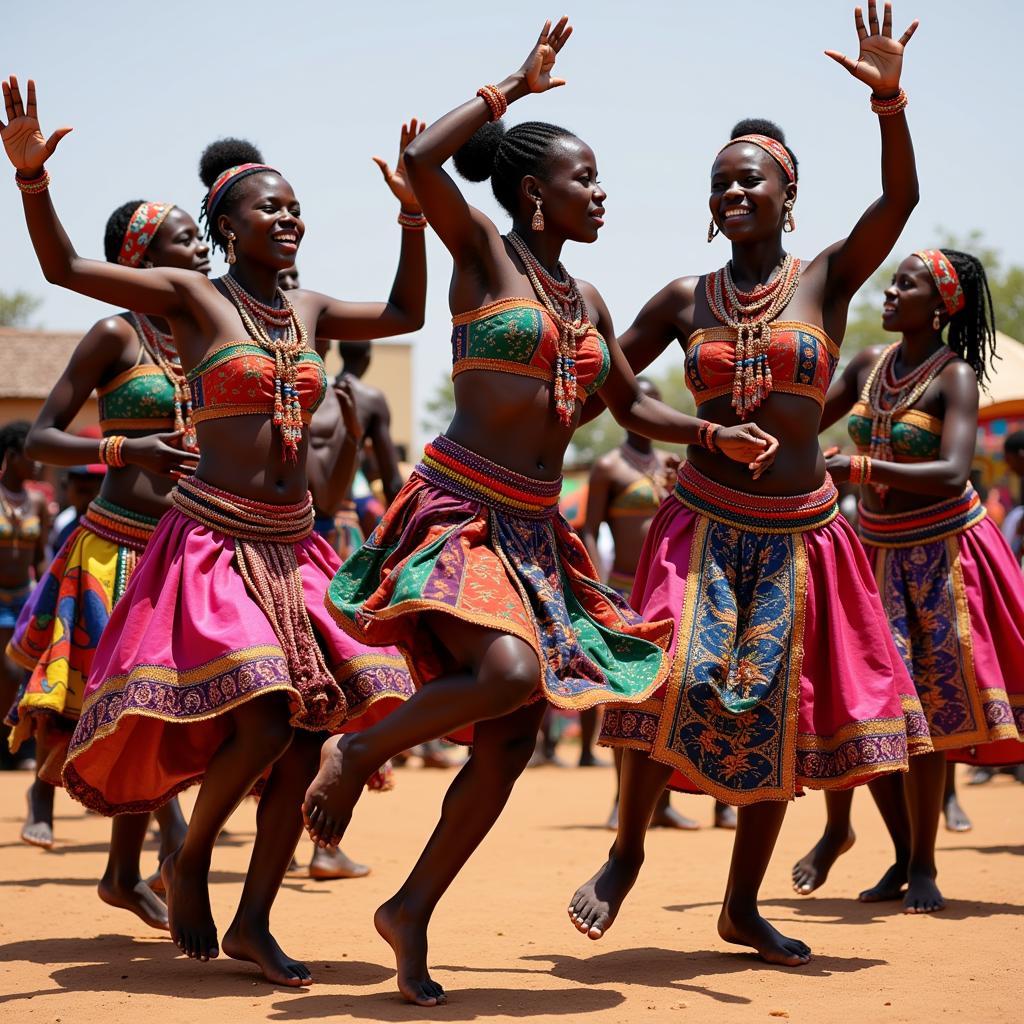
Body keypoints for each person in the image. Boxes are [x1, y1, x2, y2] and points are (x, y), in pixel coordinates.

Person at [303, 19, 777, 1005]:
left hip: (537, 532)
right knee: (511, 668)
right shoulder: (479, 251)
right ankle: (355, 748)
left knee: (513, 735)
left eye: (600, 181)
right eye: (585, 178)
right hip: (457, 510)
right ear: (534, 192)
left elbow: (631, 405)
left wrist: (707, 434)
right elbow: (423, 157)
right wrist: (512, 87)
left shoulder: (589, 298)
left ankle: (410, 911)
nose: (602, 193)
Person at [1, 79, 424, 986]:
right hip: (213, 541)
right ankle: (185, 862)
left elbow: (404, 317)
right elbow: (65, 272)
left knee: (314, 727)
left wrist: (414, 222)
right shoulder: (190, 300)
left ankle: (255, 922)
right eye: (270, 208)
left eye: (298, 209)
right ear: (226, 228)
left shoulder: (305, 311)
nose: (290, 221)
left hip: (298, 540)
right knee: (269, 716)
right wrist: (33, 185)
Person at [568, 2, 928, 967]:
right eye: (719, 182)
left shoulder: (826, 282)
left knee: (781, 708)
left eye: (749, 179)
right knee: (669, 680)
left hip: (803, 534)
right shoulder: (685, 298)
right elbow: (606, 376)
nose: (732, 192)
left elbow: (898, 205)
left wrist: (888, 101)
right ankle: (627, 851)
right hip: (700, 522)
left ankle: (741, 906)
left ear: (787, 192)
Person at [792, 248, 1024, 911]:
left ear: (943, 304)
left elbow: (954, 472)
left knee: (924, 715)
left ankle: (921, 863)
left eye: (907, 285)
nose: (890, 293)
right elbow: (804, 421)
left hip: (943, 560)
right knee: (865, 700)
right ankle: (858, 837)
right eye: (892, 282)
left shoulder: (954, 378)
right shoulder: (868, 366)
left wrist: (859, 469)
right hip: (874, 556)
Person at [3, 199, 207, 920]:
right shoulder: (114, 335)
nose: (204, 250)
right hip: (115, 552)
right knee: (133, 708)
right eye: (187, 240)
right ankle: (165, 847)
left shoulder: (209, 333)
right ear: (139, 256)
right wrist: (125, 449)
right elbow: (38, 438)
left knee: (172, 709)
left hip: (192, 550)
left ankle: (134, 867)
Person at [582, 378, 734, 829]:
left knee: (681, 685)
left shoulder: (676, 463)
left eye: (653, 400)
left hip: (670, 588)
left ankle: (674, 801)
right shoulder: (608, 467)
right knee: (628, 691)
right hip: (625, 589)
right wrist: (593, 583)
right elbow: (590, 527)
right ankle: (623, 799)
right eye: (638, 400)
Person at [278, 262, 371, 881]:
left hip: (325, 539)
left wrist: (355, 439)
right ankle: (182, 849)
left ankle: (320, 843)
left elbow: (353, 481)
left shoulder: (345, 399)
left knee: (329, 696)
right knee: (261, 707)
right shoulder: (252, 375)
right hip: (252, 539)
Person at [0, 421, 50, 838]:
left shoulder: (38, 503)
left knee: (25, 674)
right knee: (7, 674)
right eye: (30, 453)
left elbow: (42, 555)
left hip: (25, 597)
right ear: (12, 455)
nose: (37, 462)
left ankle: (22, 751)